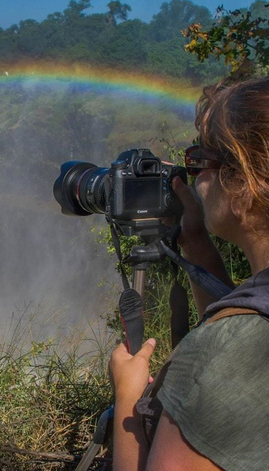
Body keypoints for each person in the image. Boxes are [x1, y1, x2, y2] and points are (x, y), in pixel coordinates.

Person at [110, 76, 269, 471]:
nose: (195, 178)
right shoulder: (247, 336)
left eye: (201, 160)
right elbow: (245, 322)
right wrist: (193, 239)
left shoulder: (223, 355)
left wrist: (128, 398)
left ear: (245, 183)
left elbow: (234, 349)